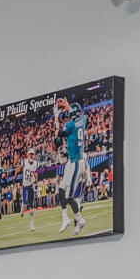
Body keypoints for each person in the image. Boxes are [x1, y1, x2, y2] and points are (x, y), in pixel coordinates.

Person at [54, 95, 89, 234]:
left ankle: (80, 220)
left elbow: (57, 134)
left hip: (76, 162)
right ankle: (65, 218)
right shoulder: (83, 119)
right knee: (61, 189)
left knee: (69, 196)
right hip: (73, 160)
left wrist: (56, 117)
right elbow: (75, 113)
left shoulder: (70, 125)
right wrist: (68, 106)